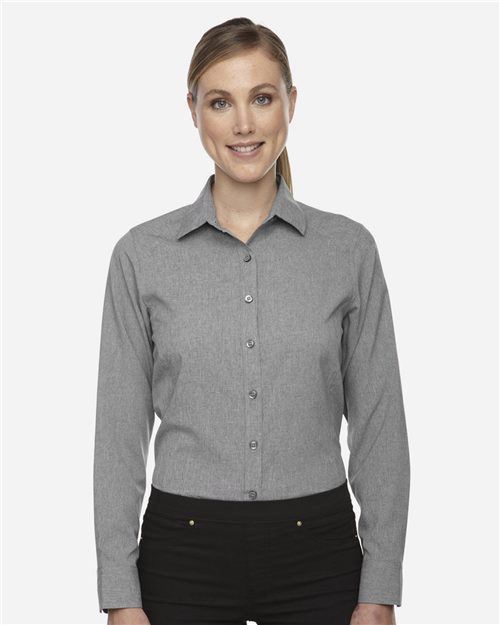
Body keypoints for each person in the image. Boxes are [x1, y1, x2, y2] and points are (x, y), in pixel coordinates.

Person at [93, 16, 410, 625]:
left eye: (261, 98)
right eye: (220, 102)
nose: (243, 124)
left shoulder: (348, 251)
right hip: (180, 555)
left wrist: (381, 586)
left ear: (291, 103)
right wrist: (120, 595)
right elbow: (118, 438)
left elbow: (380, 426)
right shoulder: (140, 256)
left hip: (320, 555)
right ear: (193, 111)